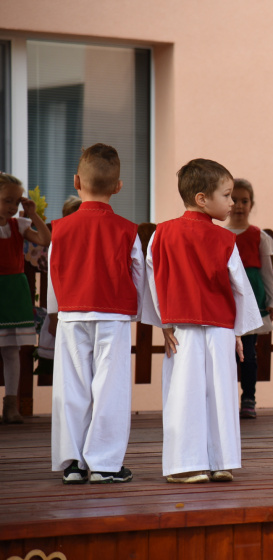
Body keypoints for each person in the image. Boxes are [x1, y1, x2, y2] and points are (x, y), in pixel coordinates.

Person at [142, 159, 262, 483]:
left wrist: (163, 322)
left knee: (184, 393)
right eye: (226, 196)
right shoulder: (225, 240)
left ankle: (186, 466)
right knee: (221, 393)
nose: (232, 203)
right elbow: (240, 287)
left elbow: (152, 276)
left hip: (181, 327)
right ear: (202, 199)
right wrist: (238, 332)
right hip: (220, 327)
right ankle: (221, 461)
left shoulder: (161, 233)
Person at [48, 143, 144, 484]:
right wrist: (139, 313)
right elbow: (139, 274)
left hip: (72, 313)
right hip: (113, 315)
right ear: (118, 187)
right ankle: (104, 464)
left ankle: (72, 463)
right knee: (110, 389)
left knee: (71, 388)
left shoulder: (59, 228)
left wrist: (54, 310)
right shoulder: (127, 230)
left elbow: (53, 271)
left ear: (77, 181)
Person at [0, 172, 51, 424]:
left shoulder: (18, 226)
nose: (12, 206)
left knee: (11, 350)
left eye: (15, 201)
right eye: (7, 200)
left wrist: (32, 213)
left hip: (13, 293)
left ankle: (11, 405)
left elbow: (45, 239)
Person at [225, 178, 273, 420]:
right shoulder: (218, 234)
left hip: (252, 300)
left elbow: (267, 272)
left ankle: (248, 398)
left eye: (244, 200)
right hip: (225, 299)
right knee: (224, 351)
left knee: (248, 351)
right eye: (233, 199)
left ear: (251, 204)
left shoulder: (260, 237)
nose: (238, 205)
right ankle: (224, 398)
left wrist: (272, 302)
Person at [38, 196, 83, 378]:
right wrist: (54, 315)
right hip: (63, 307)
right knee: (65, 365)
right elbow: (53, 280)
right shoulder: (60, 242)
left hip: (81, 307)